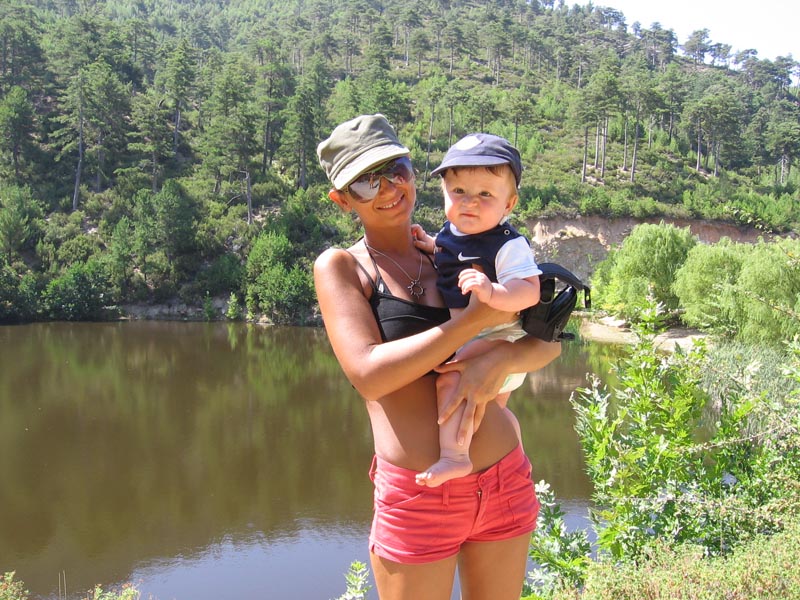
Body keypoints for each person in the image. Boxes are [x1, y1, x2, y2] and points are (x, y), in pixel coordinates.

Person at [314, 114, 561, 600]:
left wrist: (500, 361)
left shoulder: (454, 248)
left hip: (502, 477)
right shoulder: (343, 267)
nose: (388, 188)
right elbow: (369, 375)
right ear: (341, 199)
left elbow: (548, 343)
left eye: (396, 170)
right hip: (420, 495)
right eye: (366, 182)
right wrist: (470, 323)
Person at [411, 133, 542, 488]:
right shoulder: (451, 232)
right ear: (444, 194)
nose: (470, 202)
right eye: (459, 192)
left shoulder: (508, 244)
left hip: (498, 335)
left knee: (452, 378)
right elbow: (451, 252)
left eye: (485, 194)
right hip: (476, 334)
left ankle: (454, 458)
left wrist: (492, 292)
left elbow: (530, 291)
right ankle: (512, 451)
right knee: (491, 409)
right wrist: (431, 245)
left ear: (509, 204)